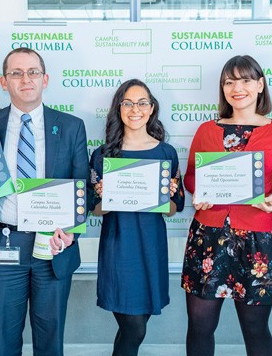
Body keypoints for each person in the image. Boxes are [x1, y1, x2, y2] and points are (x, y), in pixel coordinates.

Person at [0, 47, 89, 356]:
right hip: (2, 246)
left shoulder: (72, 126)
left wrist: (72, 230)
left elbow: (81, 187)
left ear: (45, 79)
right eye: (16, 73)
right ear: (3, 82)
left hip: (52, 246)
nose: (26, 79)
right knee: (4, 344)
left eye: (33, 72)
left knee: (50, 342)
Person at [181, 55, 272, 356]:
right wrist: (197, 192)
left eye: (245, 80)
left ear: (260, 85)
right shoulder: (207, 130)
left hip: (259, 240)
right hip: (208, 237)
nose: (237, 88)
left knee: (256, 329)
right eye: (229, 81)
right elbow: (192, 175)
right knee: (199, 327)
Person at [90, 78, 185, 356]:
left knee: (138, 324)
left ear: (152, 108)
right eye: (128, 103)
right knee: (134, 327)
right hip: (119, 247)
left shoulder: (165, 152)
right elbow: (96, 209)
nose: (135, 109)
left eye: (142, 102)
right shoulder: (103, 155)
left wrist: (164, 197)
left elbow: (174, 208)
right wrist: (108, 197)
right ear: (118, 108)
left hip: (151, 246)